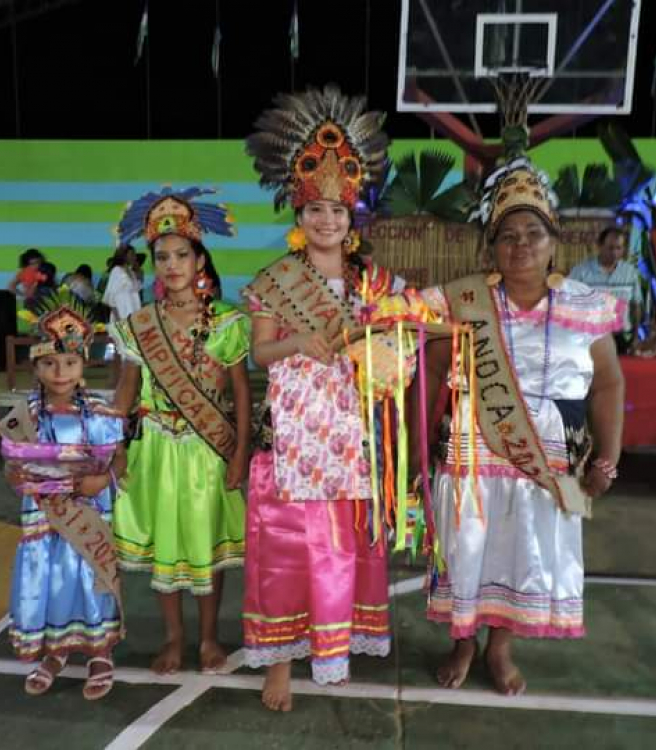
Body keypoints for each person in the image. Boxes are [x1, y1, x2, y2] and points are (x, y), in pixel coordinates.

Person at [409, 157, 625, 695]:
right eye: (507, 234)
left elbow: (608, 385)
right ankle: (463, 642)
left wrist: (607, 462)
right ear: (491, 245)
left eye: (533, 232)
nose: (521, 244)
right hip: (471, 451)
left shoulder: (586, 306)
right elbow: (429, 372)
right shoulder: (462, 301)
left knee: (523, 551)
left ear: (554, 239)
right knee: (467, 546)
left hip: (546, 459)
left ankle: (500, 648)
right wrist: (415, 453)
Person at [241, 85, 397, 712]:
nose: (326, 220)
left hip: (351, 433)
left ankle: (332, 648)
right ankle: (279, 662)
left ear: (351, 214)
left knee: (341, 550)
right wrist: (301, 338)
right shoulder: (274, 283)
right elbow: (260, 354)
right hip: (296, 433)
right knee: (285, 551)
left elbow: (400, 342)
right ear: (297, 216)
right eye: (314, 211)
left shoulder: (373, 283)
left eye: (337, 210)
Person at [110, 187, 249, 674]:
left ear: (199, 260)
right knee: (165, 551)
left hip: (207, 453)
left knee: (205, 549)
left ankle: (209, 639)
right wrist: (114, 445)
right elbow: (126, 388)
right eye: (161, 256)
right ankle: (174, 638)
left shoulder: (228, 321)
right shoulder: (139, 325)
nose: (171, 265)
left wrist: (240, 454)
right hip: (155, 451)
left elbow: (242, 393)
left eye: (181, 254)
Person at [0, 294, 126, 700]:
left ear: (83, 365)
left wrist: (102, 479)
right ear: (35, 365)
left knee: (91, 580)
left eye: (70, 363)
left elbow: (118, 461)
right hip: (43, 519)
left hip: (87, 514)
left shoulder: (100, 413)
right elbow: (11, 468)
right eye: (50, 363)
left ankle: (99, 651)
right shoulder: (23, 416)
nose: (60, 372)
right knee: (48, 579)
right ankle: (55, 650)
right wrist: (16, 475)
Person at [568, 226, 641, 351]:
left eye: (618, 248)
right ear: (599, 246)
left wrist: (635, 337)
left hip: (620, 337)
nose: (614, 253)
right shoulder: (581, 272)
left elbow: (636, 305)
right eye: (610, 248)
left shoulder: (630, 273)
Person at [102, 244, 142, 323]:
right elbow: (110, 298)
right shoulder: (117, 271)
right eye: (131, 254)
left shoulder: (131, 272)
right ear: (123, 256)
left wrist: (138, 270)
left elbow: (136, 289)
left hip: (133, 311)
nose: (134, 257)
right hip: (121, 314)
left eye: (134, 254)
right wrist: (118, 319)